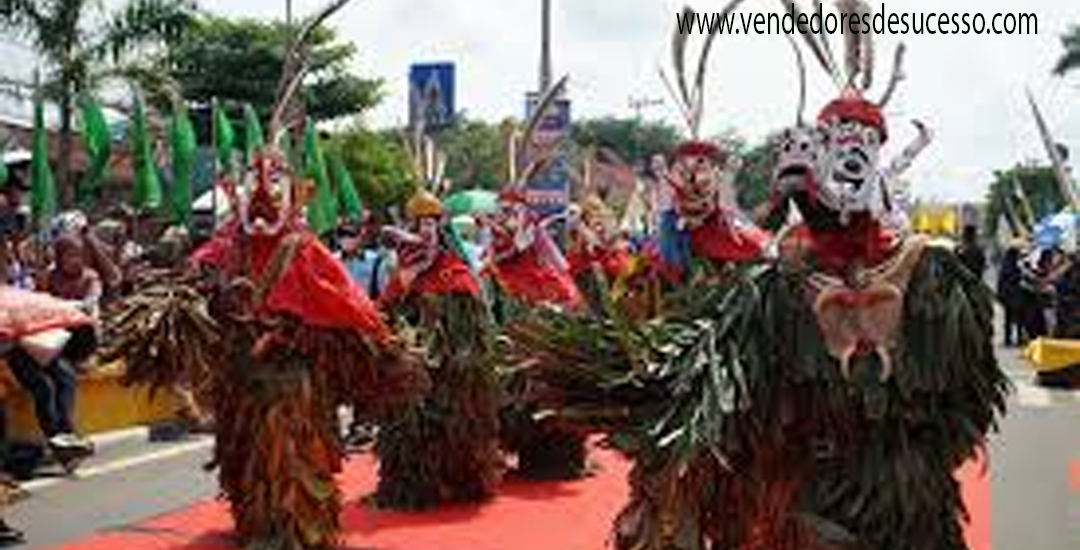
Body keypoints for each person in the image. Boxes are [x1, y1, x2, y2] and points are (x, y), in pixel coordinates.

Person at [996, 241, 1025, 346]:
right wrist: (1020, 273)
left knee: (1010, 317)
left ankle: (1011, 338)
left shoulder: (1008, 261)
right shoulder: (1011, 263)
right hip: (1012, 293)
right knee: (1016, 317)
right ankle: (1015, 338)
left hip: (1009, 294)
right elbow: (1011, 276)